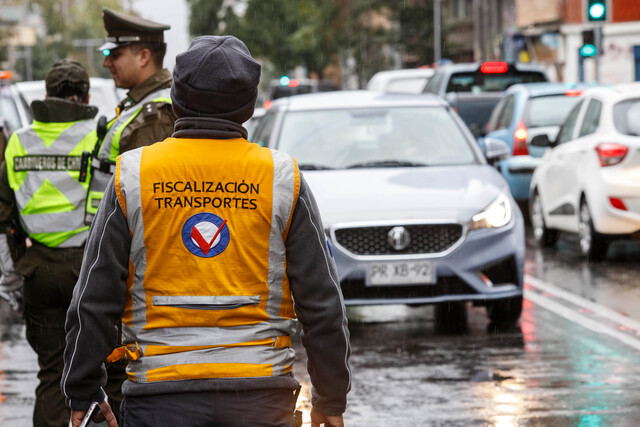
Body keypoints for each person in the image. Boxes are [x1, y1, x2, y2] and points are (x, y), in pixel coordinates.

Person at [62, 35, 351, 427]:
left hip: (159, 399)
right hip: (260, 397)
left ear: (177, 98)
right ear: (247, 106)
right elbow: (322, 304)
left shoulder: (135, 174)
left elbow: (94, 298)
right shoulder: (282, 177)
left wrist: (83, 390)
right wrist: (330, 400)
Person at [0, 60, 97, 427]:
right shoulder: (100, 136)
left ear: (44, 97)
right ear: (86, 97)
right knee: (108, 369)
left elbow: (3, 216)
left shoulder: (18, 142)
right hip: (91, 272)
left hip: (38, 270)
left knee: (53, 374)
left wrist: (10, 278)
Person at [85, 7, 177, 225]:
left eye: (114, 55)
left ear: (144, 57)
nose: (106, 64)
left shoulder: (154, 115)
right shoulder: (141, 104)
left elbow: (150, 201)